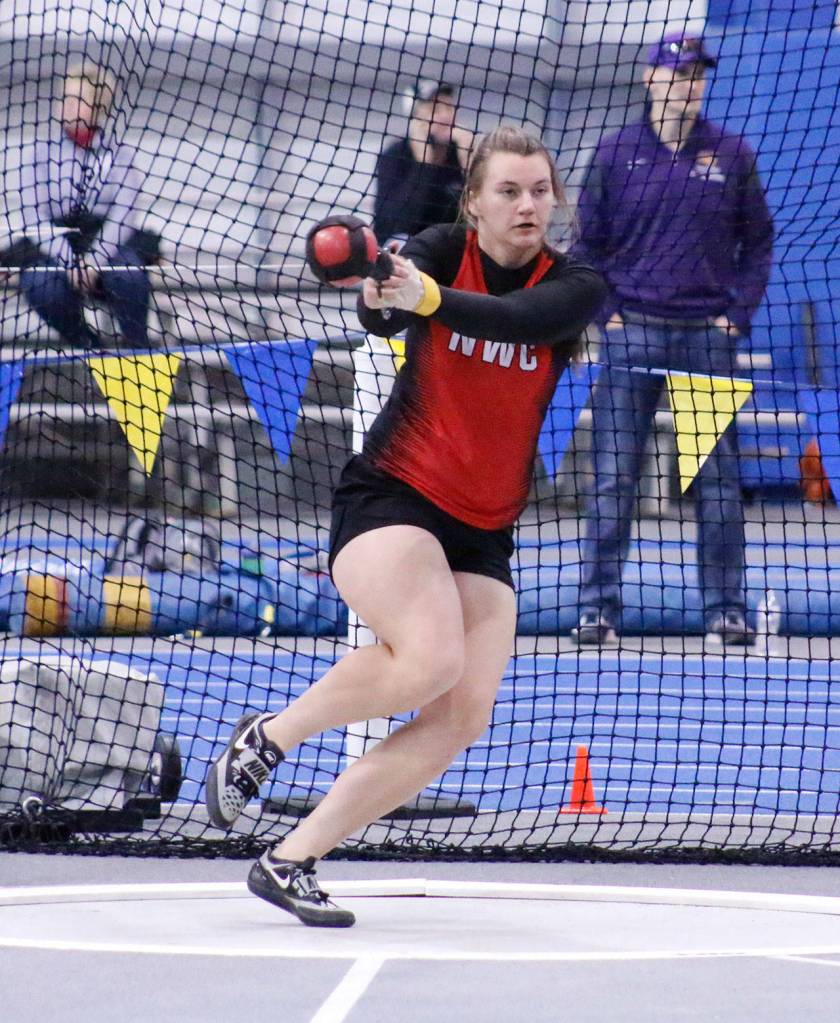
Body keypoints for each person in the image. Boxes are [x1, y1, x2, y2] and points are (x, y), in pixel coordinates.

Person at [204, 124, 606, 927]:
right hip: (393, 498)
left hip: (483, 531)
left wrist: (426, 299)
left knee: (463, 714)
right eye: (509, 191)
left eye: (538, 191)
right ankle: (272, 735)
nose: (528, 205)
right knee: (429, 657)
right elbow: (387, 315)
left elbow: (521, 321)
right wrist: (385, 290)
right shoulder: (436, 245)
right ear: (475, 203)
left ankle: (291, 858)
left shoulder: (577, 284)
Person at [571, 31, 774, 648]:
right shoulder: (613, 154)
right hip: (631, 335)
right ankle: (597, 610)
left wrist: (734, 317)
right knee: (614, 476)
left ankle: (727, 609)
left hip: (706, 337)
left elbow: (758, 241)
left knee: (717, 478)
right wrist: (605, 313)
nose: (689, 83)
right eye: (678, 72)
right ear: (649, 77)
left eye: (697, 74)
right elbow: (587, 244)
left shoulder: (731, 155)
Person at [11, 60, 152, 348]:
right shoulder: (38, 154)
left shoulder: (119, 155)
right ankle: (87, 346)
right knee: (41, 286)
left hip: (106, 245)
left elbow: (124, 214)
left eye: (77, 100)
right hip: (56, 244)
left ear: (98, 107)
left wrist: (93, 261)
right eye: (65, 98)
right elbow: (33, 216)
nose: (67, 106)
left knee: (130, 277)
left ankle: (138, 350)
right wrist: (70, 261)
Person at [372, 80, 472, 246]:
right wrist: (424, 166)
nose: (446, 116)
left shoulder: (460, 153)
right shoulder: (395, 156)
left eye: (449, 108)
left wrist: (469, 166)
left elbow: (477, 220)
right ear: (415, 118)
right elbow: (391, 226)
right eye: (435, 110)